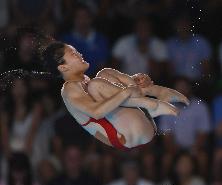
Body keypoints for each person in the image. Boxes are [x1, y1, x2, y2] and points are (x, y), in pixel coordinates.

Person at [41, 41, 189, 150]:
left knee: (105, 73)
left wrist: (137, 80)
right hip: (127, 136)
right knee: (97, 85)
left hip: (141, 124)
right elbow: (96, 112)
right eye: (73, 54)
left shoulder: (86, 80)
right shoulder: (69, 90)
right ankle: (153, 103)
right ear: (63, 67)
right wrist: (127, 91)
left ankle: (154, 95)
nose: (79, 54)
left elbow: (124, 94)